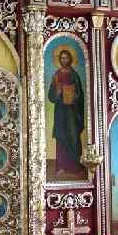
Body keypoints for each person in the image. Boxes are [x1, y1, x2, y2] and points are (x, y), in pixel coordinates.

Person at [48, 49, 85, 178]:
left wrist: (74, 97)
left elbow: (80, 95)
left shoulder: (75, 75)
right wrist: (58, 93)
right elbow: (51, 96)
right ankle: (61, 167)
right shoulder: (56, 75)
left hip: (73, 113)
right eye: (62, 58)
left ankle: (75, 167)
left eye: (66, 58)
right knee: (61, 137)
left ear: (70, 59)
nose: (64, 60)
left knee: (73, 138)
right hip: (61, 113)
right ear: (59, 60)